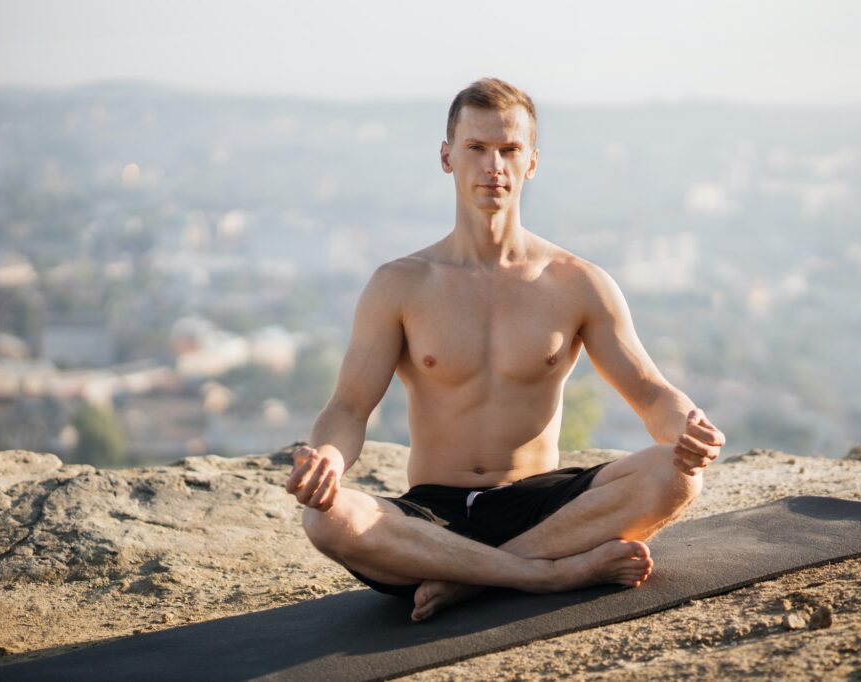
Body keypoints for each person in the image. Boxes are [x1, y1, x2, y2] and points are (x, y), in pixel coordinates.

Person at [285, 77, 725, 622]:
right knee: (325, 518)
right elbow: (349, 407)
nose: (493, 165)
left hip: (543, 507)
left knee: (677, 475)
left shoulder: (577, 282)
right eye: (476, 148)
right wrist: (328, 456)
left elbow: (652, 392)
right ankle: (545, 574)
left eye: (509, 150)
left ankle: (471, 579)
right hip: (434, 515)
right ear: (447, 157)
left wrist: (688, 431)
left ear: (531, 162)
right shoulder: (399, 284)